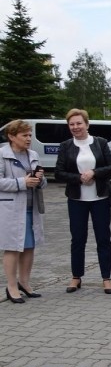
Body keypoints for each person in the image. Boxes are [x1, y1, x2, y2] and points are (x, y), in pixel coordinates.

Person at [54, 108, 111, 295]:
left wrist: (95, 173)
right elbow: (58, 173)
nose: (75, 127)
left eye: (79, 123)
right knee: (77, 239)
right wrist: (78, 178)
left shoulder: (100, 143)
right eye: (72, 124)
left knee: (103, 238)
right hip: (77, 199)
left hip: (100, 198)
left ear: (87, 124)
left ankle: (106, 278)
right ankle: (76, 276)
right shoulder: (66, 146)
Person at [0, 120, 46, 303]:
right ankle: (11, 286)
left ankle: (24, 283)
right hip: (11, 208)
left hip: (31, 207)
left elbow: (40, 181)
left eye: (29, 135)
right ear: (11, 137)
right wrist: (22, 183)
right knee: (12, 247)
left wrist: (40, 180)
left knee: (29, 246)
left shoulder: (33, 154)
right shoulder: (2, 155)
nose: (28, 139)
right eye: (24, 135)